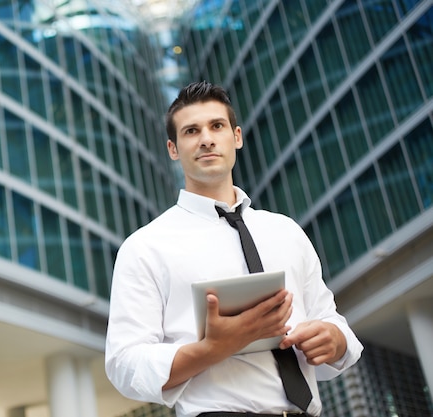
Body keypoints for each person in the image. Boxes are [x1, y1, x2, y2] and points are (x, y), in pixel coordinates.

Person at [104, 81, 363, 417]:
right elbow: (124, 364)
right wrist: (212, 349)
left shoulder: (286, 231)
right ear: (173, 148)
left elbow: (330, 318)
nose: (207, 139)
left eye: (217, 126)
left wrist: (334, 338)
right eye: (191, 131)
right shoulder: (145, 247)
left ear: (236, 137)